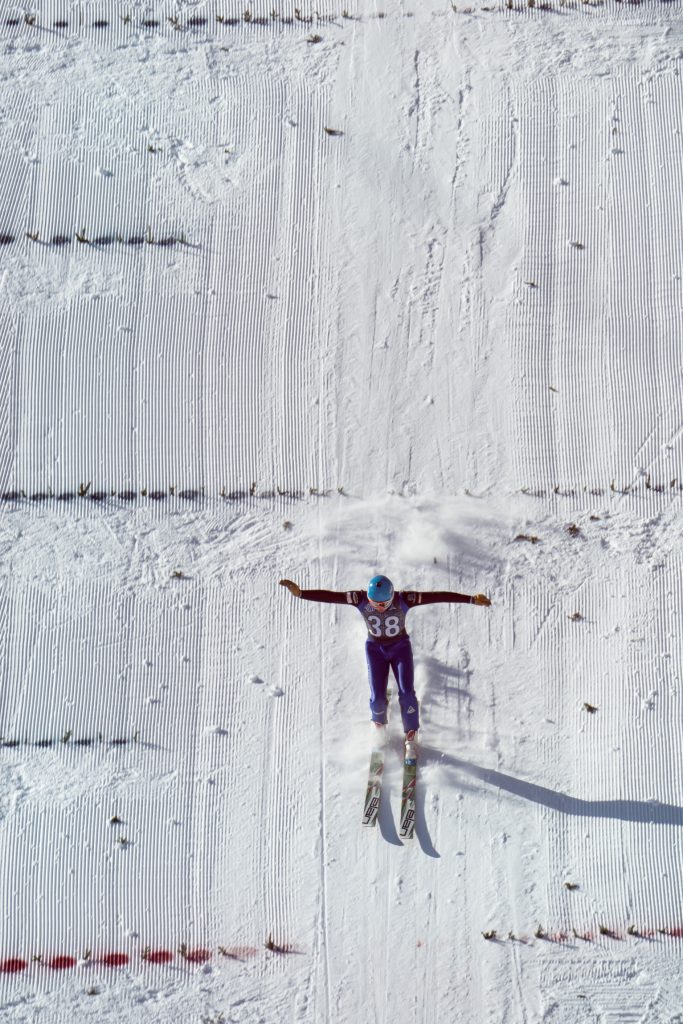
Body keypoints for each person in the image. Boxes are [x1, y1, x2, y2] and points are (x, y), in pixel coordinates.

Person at [279, 574, 491, 745]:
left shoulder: (404, 599)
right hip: (375, 649)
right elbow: (332, 596)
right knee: (378, 697)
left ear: (391, 597)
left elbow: (438, 596)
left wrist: (471, 599)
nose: (380, 608)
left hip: (400, 648)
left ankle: (411, 732)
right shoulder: (359, 598)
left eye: (384, 604)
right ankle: (378, 724)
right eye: (375, 604)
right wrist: (301, 593)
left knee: (407, 692)